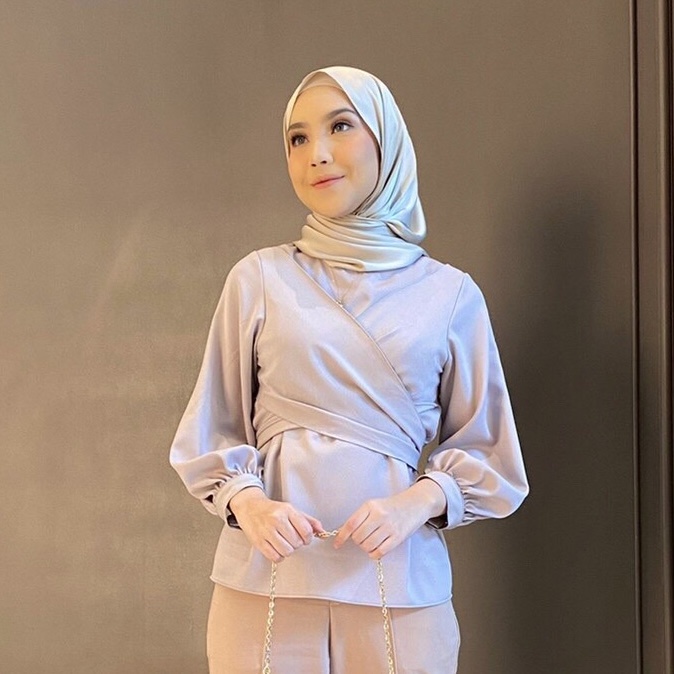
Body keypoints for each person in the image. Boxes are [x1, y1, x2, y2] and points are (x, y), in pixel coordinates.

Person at [169, 65, 529, 674]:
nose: (317, 153)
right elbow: (213, 428)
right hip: (264, 584)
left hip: (399, 587)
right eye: (298, 137)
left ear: (386, 140)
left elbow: (492, 455)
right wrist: (250, 504)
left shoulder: (451, 295)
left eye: (340, 126)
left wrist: (413, 504)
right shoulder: (258, 279)